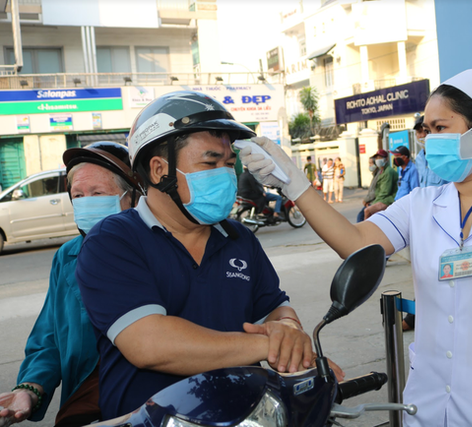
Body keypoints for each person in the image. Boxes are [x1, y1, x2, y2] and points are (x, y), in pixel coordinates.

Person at [239, 64, 472, 426]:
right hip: (430, 402)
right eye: (427, 130)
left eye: (441, 128)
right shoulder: (421, 204)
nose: (429, 140)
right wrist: (296, 185)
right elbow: (356, 242)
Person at [75, 91, 343, 420]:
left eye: (229, 164)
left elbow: (273, 307)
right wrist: (267, 346)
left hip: (246, 414)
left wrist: (289, 334)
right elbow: (150, 343)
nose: (225, 174)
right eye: (210, 163)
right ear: (160, 170)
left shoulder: (238, 237)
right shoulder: (113, 241)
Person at [0, 142, 145, 427]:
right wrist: (30, 388)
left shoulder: (160, 250)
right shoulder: (67, 256)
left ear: (133, 197)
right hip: (88, 408)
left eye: (98, 194)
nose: (86, 202)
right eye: (78, 195)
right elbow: (49, 338)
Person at [414, 115, 448, 188]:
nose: (423, 135)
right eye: (419, 132)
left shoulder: (444, 156)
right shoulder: (418, 159)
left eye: (426, 131)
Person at [362, 149, 398, 220]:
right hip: (380, 199)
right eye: (377, 158)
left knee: (367, 211)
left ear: (386, 159)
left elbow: (385, 192)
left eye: (380, 158)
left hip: (387, 199)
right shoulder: (381, 171)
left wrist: (373, 203)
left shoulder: (388, 172)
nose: (378, 160)